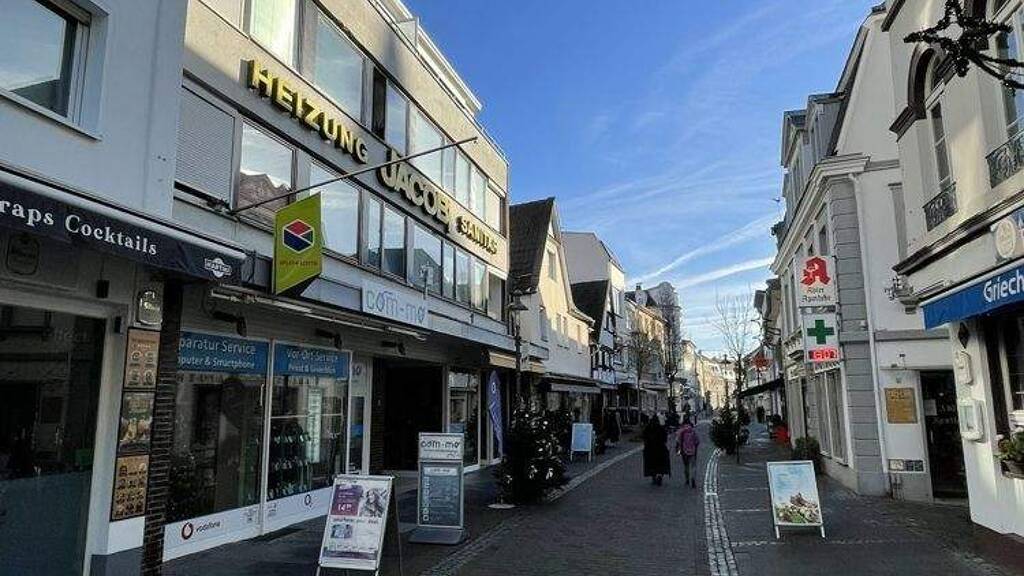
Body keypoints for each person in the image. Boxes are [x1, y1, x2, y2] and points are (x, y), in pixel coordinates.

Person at [642, 414, 671, 486]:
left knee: (651, 465)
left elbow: (644, 437)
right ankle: (660, 475)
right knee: (661, 464)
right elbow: (665, 439)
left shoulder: (648, 428)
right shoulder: (661, 428)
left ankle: (654, 477)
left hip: (650, 450)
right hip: (660, 449)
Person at [675, 415, 701, 488]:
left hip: (684, 450)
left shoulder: (681, 431)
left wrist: (677, 449)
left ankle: (687, 479)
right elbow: (697, 441)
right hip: (692, 450)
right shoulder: (693, 431)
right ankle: (693, 478)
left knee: (686, 466)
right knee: (693, 465)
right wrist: (695, 447)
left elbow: (678, 441)